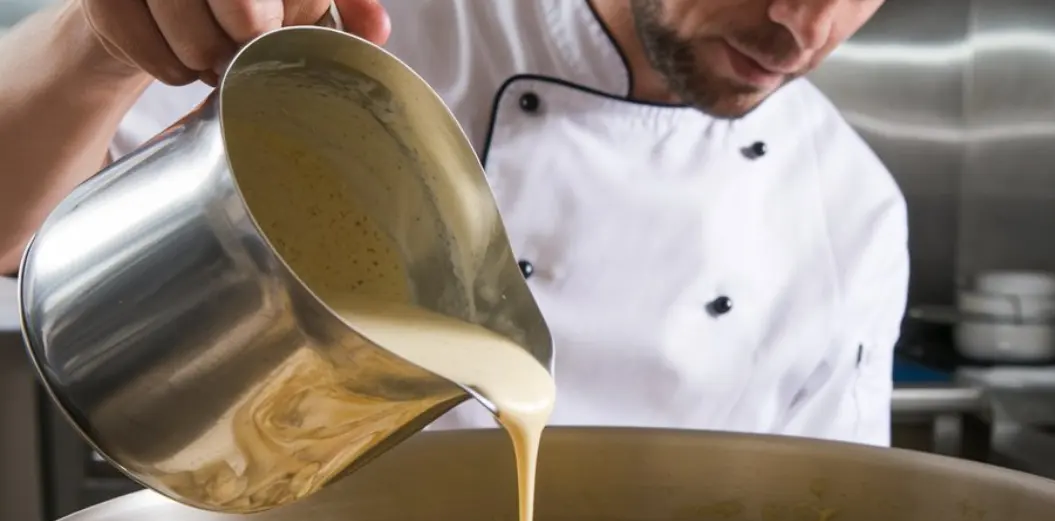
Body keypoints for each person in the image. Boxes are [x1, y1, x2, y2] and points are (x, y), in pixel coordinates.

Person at [0, 0, 906, 445]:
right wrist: (97, 40)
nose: (803, 23)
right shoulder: (369, 25)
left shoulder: (853, 210)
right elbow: (14, 233)